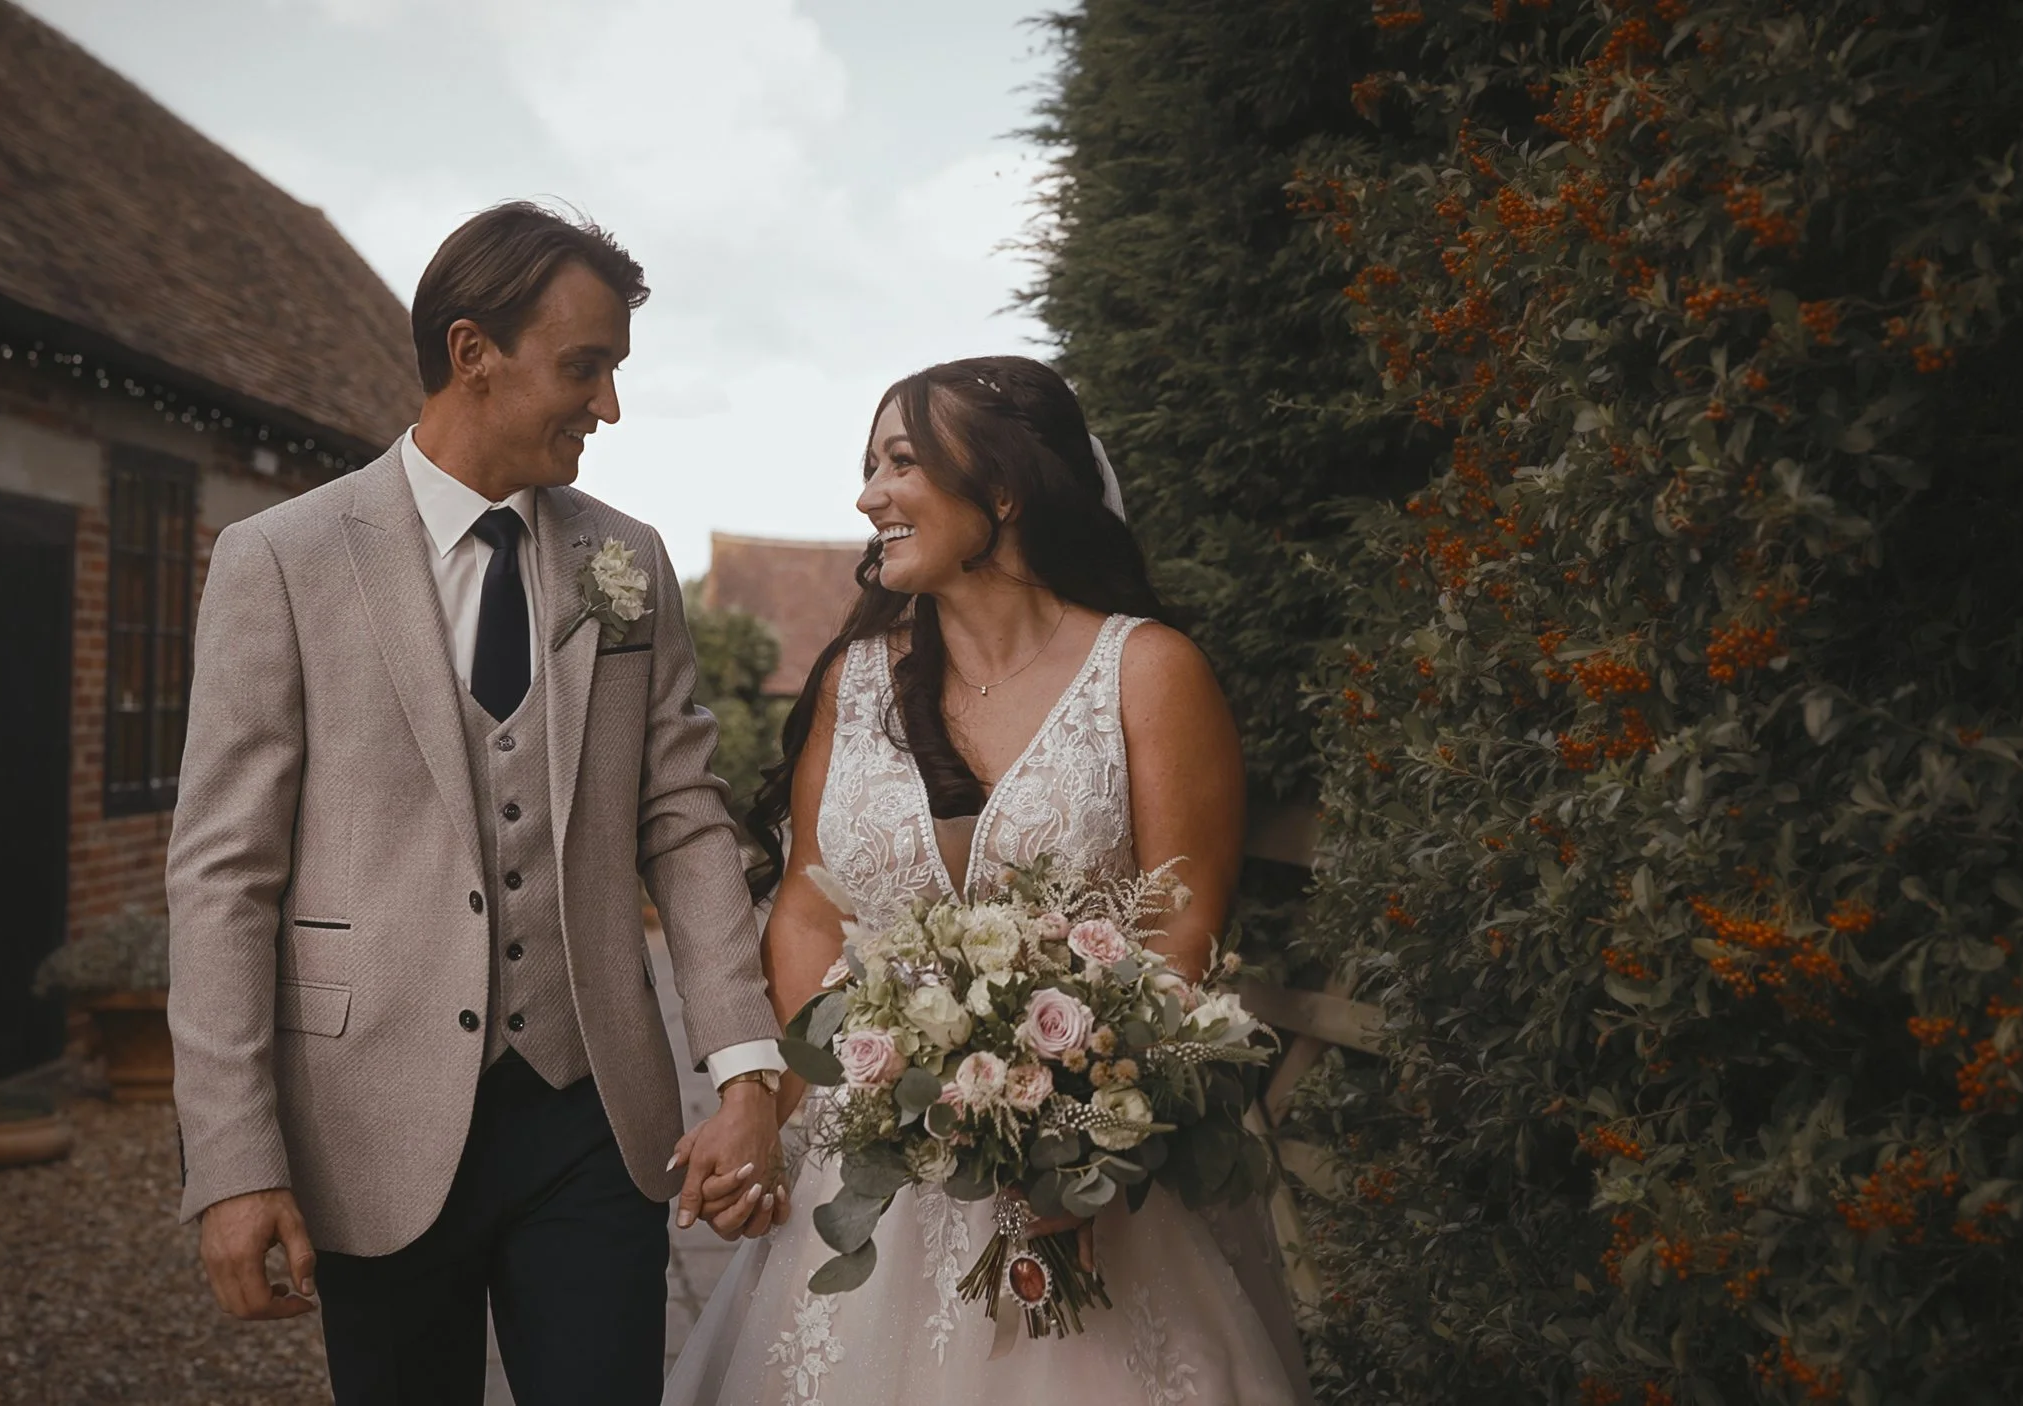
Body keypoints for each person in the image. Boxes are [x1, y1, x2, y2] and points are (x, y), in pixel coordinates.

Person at [166, 201, 789, 1406]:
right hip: (369, 1120)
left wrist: (747, 1067)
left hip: (593, 1116)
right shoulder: (281, 560)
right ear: (472, 352)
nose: (608, 405)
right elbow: (222, 877)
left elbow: (686, 818)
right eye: (584, 366)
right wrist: (234, 1162)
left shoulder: (629, 559)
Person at [665, 356, 1312, 1404]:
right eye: (867, 464)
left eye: (900, 461)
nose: (867, 494)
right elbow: (808, 905)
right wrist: (794, 1102)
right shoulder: (854, 677)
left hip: (1087, 1166)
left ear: (1003, 490)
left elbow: (1180, 930)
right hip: (871, 1158)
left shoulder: (1146, 670)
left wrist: (1081, 1137)